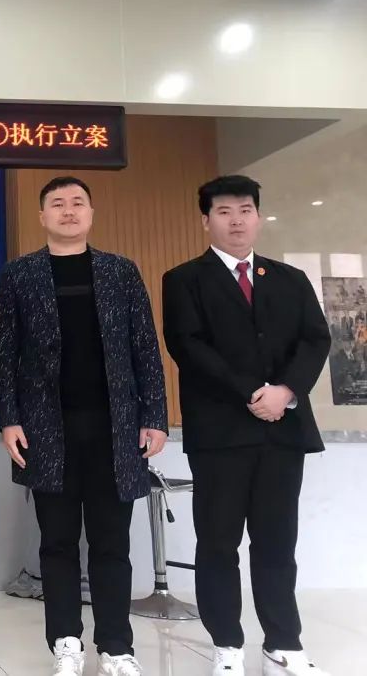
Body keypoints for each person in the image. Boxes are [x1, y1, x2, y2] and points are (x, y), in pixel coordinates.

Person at [0, 177, 167, 676]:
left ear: (91, 213)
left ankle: (116, 647)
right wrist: (9, 418)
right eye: (57, 204)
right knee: (57, 544)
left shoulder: (120, 271)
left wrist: (154, 416)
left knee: (112, 544)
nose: (68, 211)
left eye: (77, 203)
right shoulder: (20, 274)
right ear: (42, 216)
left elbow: (145, 347)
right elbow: (3, 352)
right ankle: (66, 643)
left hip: (116, 431)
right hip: (47, 432)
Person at [163, 175, 331, 676]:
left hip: (283, 430)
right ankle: (227, 644)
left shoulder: (290, 279)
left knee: (277, 542)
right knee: (218, 543)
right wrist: (251, 392)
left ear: (258, 217)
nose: (236, 220)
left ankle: (283, 642)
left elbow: (315, 339)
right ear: (205, 221)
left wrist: (286, 391)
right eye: (224, 212)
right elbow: (188, 345)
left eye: (245, 210)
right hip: (220, 435)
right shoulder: (184, 280)